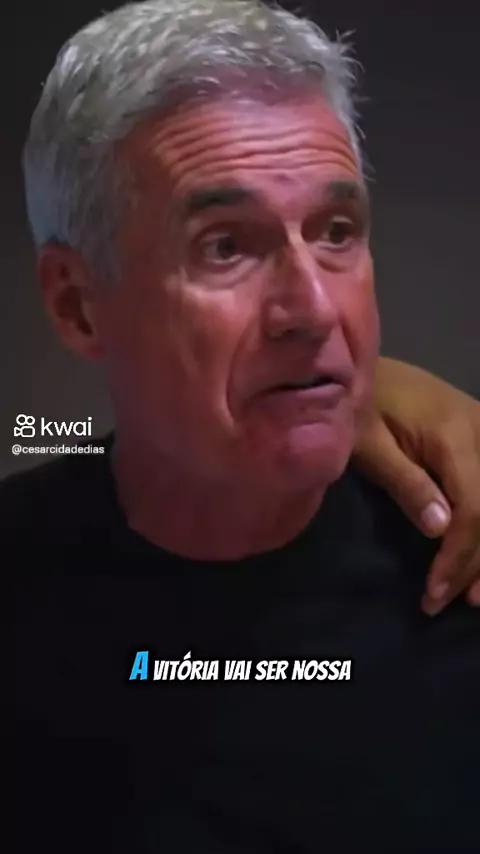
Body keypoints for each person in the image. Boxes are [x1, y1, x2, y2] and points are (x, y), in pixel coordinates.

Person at [9, 1, 480, 851]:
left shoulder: (463, 566)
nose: (313, 307)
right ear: (78, 306)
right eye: (225, 245)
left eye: (337, 232)